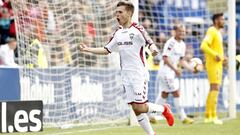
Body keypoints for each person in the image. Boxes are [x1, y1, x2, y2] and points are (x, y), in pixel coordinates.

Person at [79, 1, 174, 135]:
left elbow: (149, 41)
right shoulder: (117, 32)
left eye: (120, 12)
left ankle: (163, 109)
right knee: (135, 109)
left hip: (139, 74)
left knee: (140, 106)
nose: (117, 15)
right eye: (116, 12)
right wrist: (88, 49)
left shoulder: (138, 29)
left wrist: (153, 49)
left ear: (129, 13)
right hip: (126, 75)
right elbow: (107, 49)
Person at [151, 24, 198, 124]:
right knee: (176, 92)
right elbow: (165, 58)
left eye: (184, 31)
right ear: (175, 32)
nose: (182, 33)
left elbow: (181, 60)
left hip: (170, 73)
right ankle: (183, 117)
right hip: (165, 72)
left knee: (164, 93)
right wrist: (175, 69)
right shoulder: (171, 43)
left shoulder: (183, 45)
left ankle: (151, 115)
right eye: (180, 31)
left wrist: (191, 69)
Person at [200, 13, 225, 125]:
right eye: (221, 19)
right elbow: (203, 46)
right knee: (215, 88)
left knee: (213, 88)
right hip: (213, 64)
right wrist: (215, 55)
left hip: (217, 64)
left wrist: (223, 57)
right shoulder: (211, 30)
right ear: (216, 21)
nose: (223, 21)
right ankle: (213, 115)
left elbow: (216, 49)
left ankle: (208, 115)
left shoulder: (218, 33)